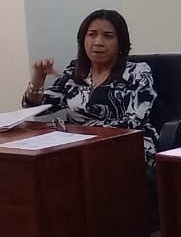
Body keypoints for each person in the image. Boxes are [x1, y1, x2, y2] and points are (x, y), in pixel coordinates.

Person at [22, 10, 158, 171]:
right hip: (80, 147)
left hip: (127, 144)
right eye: (92, 35)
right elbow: (37, 108)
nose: (98, 42)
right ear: (83, 40)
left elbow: (134, 122)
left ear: (121, 42)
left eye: (108, 36)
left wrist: (79, 134)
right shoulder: (74, 72)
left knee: (79, 168)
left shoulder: (137, 72)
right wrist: (37, 81)